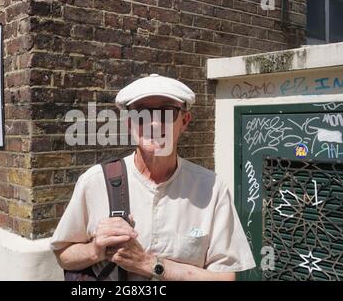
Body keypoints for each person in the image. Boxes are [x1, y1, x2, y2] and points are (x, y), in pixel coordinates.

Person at [50, 74, 255, 280]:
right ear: (129, 123)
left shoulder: (212, 189)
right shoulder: (95, 182)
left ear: (184, 121)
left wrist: (149, 264)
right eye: (142, 112)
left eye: (167, 111)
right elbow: (63, 254)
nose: (155, 123)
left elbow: (225, 277)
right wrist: (97, 249)